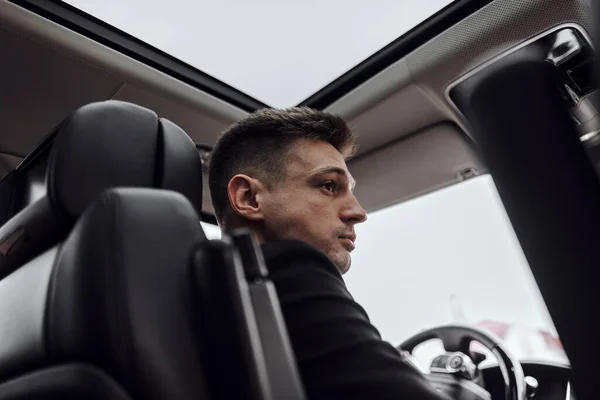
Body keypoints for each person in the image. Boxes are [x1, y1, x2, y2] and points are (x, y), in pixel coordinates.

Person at [208, 107, 449, 399]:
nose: (358, 212)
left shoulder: (203, 297)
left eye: (350, 191)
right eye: (329, 186)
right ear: (249, 198)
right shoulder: (291, 270)